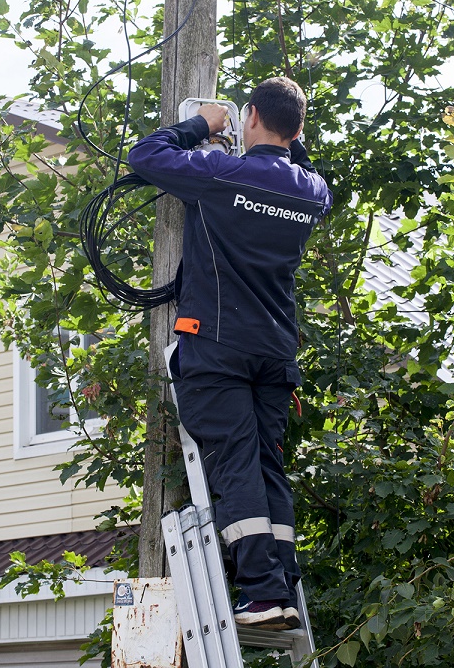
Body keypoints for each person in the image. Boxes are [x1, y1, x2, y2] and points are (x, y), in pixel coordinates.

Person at [128, 77, 332, 630]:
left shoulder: (222, 176)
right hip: (273, 351)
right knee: (268, 466)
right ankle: (283, 588)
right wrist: (278, 137)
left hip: (217, 348)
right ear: (299, 129)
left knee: (236, 465)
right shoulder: (311, 192)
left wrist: (204, 125)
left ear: (251, 116)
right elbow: (303, 168)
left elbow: (145, 155)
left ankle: (263, 594)